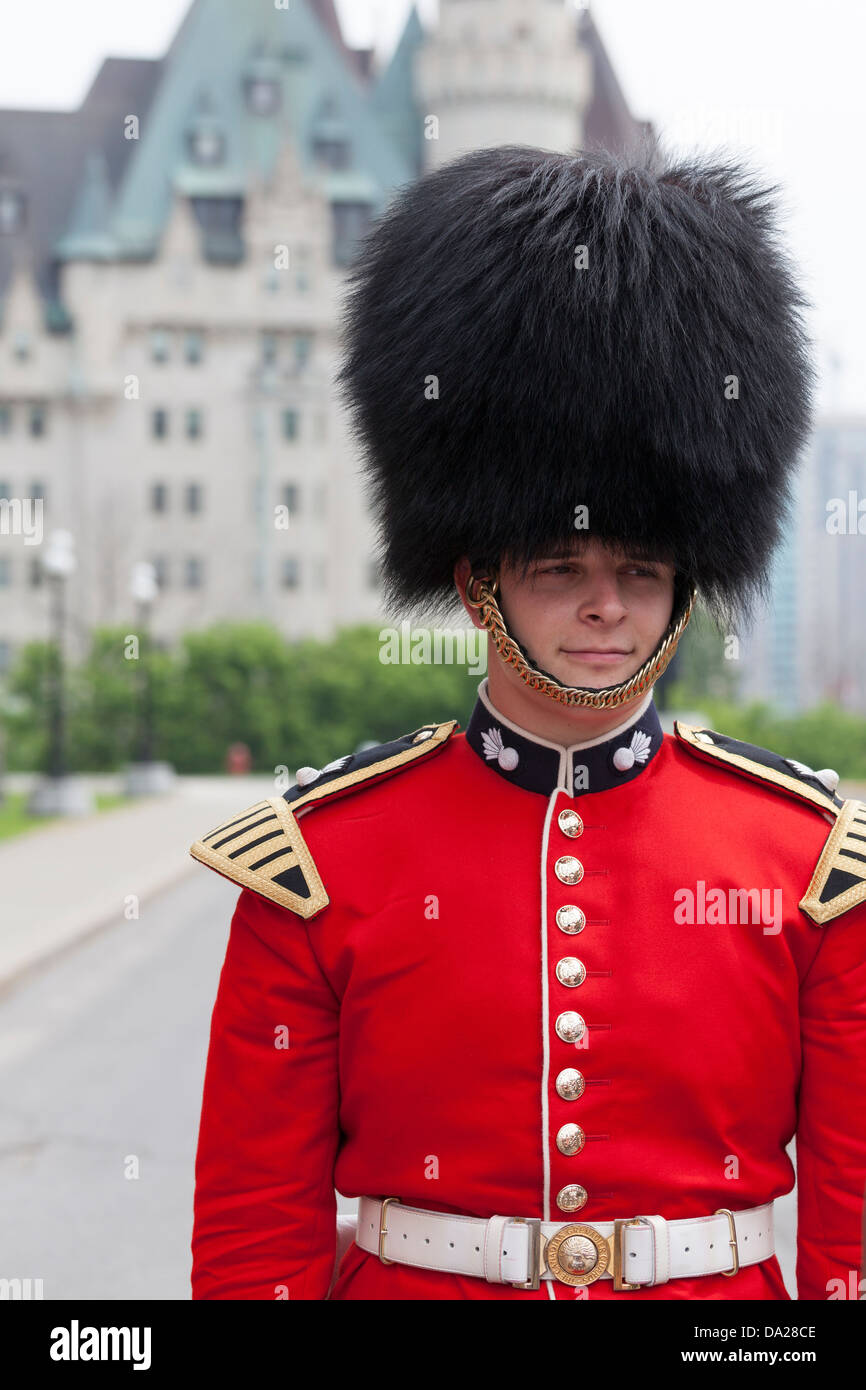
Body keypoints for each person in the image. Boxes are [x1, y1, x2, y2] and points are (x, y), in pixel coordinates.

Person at [188, 143, 866, 1300]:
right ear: (475, 582)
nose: (605, 603)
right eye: (558, 567)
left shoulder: (806, 863)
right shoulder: (317, 862)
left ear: (686, 583)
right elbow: (256, 1227)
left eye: (641, 569)